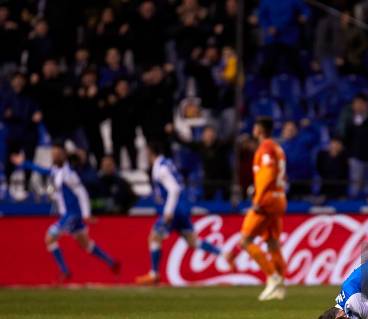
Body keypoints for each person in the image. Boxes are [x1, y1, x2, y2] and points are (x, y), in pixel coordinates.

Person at [10, 141, 119, 281]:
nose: (53, 157)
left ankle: (65, 271)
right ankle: (111, 262)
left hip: (72, 215)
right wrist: (24, 163)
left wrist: (86, 214)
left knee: (49, 238)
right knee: (86, 244)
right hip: (71, 215)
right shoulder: (58, 171)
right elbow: (42, 170)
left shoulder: (69, 174)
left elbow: (82, 193)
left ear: (63, 156)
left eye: (56, 154)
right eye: (53, 154)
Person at [135, 142, 221, 285]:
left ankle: (154, 274)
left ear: (151, 153)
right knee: (193, 242)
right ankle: (223, 254)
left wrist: (168, 212)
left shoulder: (160, 168)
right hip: (182, 207)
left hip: (174, 209)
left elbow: (174, 189)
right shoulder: (167, 163)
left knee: (154, 237)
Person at [225, 117, 288, 301]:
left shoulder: (265, 148)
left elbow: (268, 174)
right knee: (272, 242)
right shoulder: (278, 148)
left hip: (266, 201)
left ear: (259, 129)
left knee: (245, 240)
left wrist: (258, 199)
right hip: (279, 198)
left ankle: (273, 277)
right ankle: (280, 286)